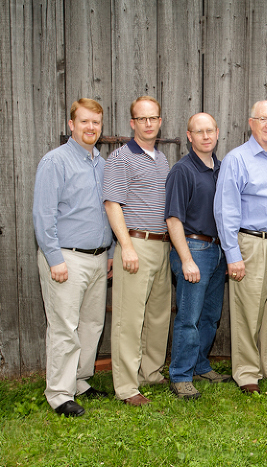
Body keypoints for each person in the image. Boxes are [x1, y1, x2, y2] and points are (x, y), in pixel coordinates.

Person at [213, 100, 267, 394]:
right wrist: (233, 255)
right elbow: (225, 210)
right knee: (248, 311)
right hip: (252, 243)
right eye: (262, 119)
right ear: (250, 123)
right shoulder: (237, 159)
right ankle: (247, 372)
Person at [33, 98, 113, 417]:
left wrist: (110, 252)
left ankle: (80, 381)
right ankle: (59, 394)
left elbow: (110, 212)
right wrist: (54, 258)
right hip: (66, 257)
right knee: (65, 326)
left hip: (98, 257)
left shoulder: (104, 165)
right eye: (84, 122)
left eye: (96, 122)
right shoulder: (55, 162)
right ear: (71, 125)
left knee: (92, 324)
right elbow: (43, 215)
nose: (90, 127)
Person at [103, 96, 171, 407]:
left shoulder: (162, 159)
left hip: (161, 245)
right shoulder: (120, 158)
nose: (148, 123)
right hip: (135, 244)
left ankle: (151, 373)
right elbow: (112, 204)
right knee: (129, 320)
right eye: (141, 119)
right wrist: (126, 247)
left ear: (159, 122)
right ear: (132, 123)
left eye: (153, 118)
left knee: (157, 316)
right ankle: (128, 387)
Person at [164, 113, 231, 400]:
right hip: (194, 249)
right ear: (189, 136)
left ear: (217, 133)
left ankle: (201, 365)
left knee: (211, 316)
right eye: (198, 132)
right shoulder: (182, 170)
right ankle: (180, 375)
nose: (205, 136)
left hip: (217, 250)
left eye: (209, 131)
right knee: (188, 318)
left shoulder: (222, 169)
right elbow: (173, 219)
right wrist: (186, 259)